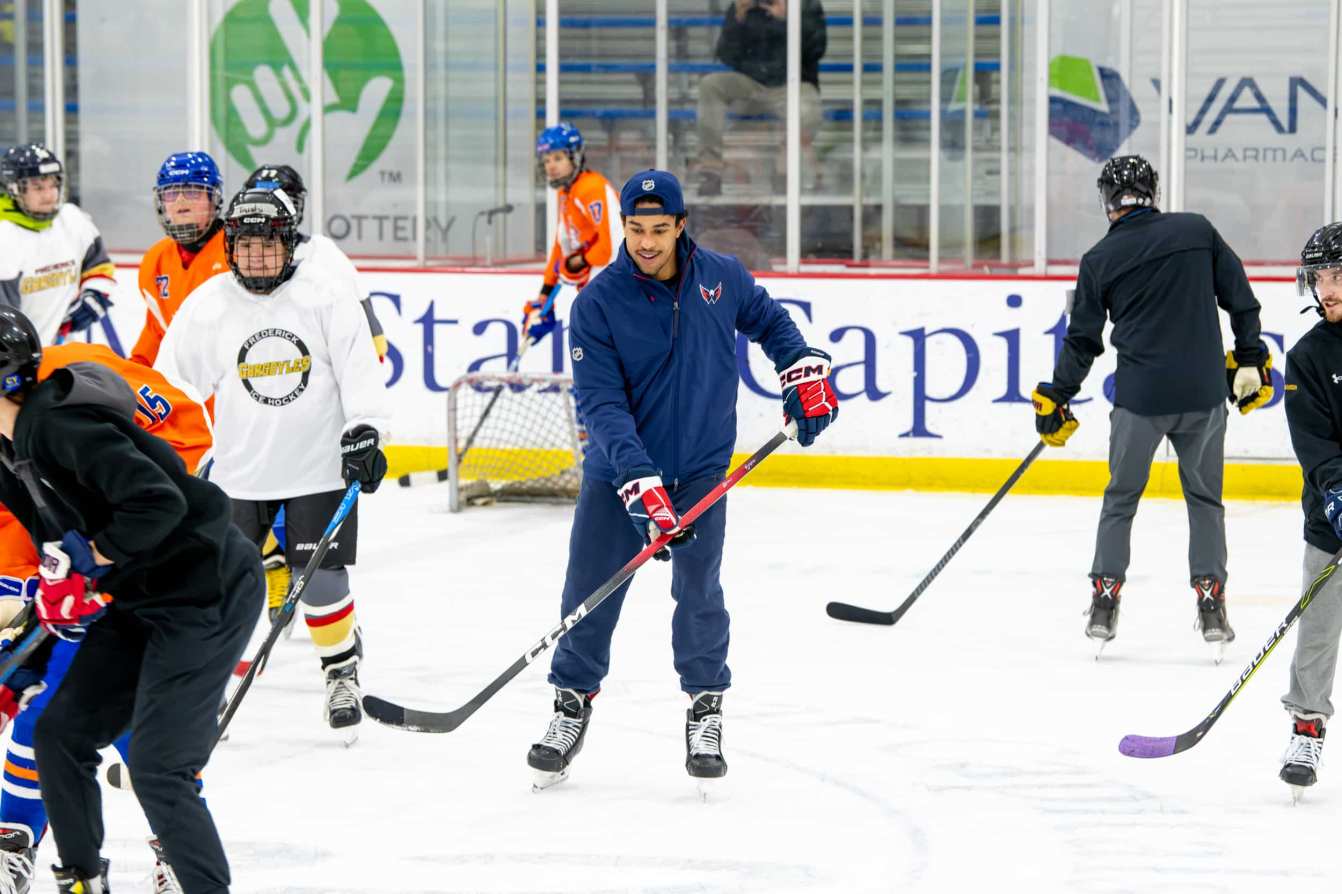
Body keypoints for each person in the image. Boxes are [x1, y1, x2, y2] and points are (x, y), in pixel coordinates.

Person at [525, 170, 838, 790]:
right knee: (590, 591)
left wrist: (800, 367)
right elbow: (602, 406)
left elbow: (772, 324)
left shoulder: (723, 278)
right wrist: (637, 480)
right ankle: (570, 703)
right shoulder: (597, 304)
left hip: (698, 473)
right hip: (621, 476)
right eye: (635, 229)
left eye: (658, 229)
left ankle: (704, 706)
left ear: (681, 225)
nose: (645, 242)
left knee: (699, 593)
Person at [0, 307, 262, 894]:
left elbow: (158, 504)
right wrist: (23, 669)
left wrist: (92, 558)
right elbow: (56, 558)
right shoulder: (7, 451)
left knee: (156, 767)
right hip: (136, 598)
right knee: (57, 737)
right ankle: (83, 881)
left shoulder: (58, 427)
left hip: (205, 591)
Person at [153, 188, 390, 743]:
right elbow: (171, 389)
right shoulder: (209, 305)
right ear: (231, 246)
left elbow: (362, 372)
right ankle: (209, 687)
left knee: (321, 581)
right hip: (239, 473)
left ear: (288, 243)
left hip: (317, 468)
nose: (257, 257)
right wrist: (182, 456)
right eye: (247, 246)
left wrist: (365, 431)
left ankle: (340, 672)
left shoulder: (324, 295)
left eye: (269, 245)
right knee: (221, 588)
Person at [1030, 155, 1272, 653]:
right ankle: (1211, 603)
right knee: (1205, 501)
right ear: (1152, 191)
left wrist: (1057, 396)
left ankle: (1104, 601)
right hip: (1204, 396)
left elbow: (1083, 342)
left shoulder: (1099, 259)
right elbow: (1241, 298)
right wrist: (1249, 358)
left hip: (1140, 401)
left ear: (1108, 200)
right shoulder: (1197, 231)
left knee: (1121, 498)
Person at [242, 163, 389, 627]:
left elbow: (369, 339)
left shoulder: (322, 255)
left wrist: (357, 411)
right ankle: (272, 567)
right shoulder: (240, 257)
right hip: (253, 407)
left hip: (309, 413)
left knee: (313, 542)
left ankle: (336, 634)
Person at [1278, 222, 1342, 798]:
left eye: (1339, 273)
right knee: (1318, 630)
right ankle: (1306, 726)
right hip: (1332, 518)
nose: (1327, 286)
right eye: (1319, 276)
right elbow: (1315, 443)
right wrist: (1338, 494)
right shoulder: (1307, 356)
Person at [695, 0, 827, 196]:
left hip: (793, 83)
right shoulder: (744, 4)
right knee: (710, 85)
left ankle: (785, 169)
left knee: (809, 108)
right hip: (750, 84)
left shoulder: (805, 4)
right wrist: (738, 18)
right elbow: (726, 55)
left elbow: (817, 49)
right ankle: (711, 171)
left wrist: (788, 20)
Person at [0, 144, 116, 344]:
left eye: (53, 185)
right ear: (13, 188)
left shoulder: (72, 219)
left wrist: (92, 298)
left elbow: (99, 267)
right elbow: (5, 320)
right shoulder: (5, 236)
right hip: (16, 360)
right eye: (37, 187)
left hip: (62, 354)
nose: (49, 195)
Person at [521, 123, 622, 349]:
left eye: (558, 158)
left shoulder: (591, 189)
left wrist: (580, 261)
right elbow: (561, 247)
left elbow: (612, 247)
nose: (551, 166)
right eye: (546, 160)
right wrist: (544, 296)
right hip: (601, 293)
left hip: (620, 290)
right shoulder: (567, 194)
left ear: (575, 157)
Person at [129, 151, 230, 367]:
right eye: (171, 193)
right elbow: (156, 334)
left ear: (214, 200)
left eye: (193, 192)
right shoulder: (155, 260)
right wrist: (134, 373)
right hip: (185, 387)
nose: (181, 202)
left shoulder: (241, 252)